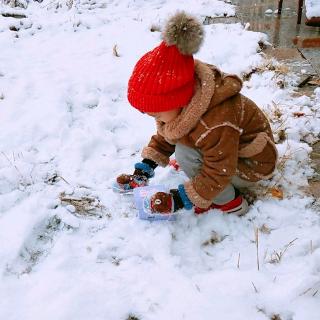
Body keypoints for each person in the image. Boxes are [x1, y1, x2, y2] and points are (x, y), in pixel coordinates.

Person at [115, 11, 278, 216]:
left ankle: (229, 203)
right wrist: (145, 168)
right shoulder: (189, 104)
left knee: (185, 153)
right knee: (186, 149)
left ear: (177, 100)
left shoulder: (215, 122)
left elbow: (219, 170)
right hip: (226, 151)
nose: (156, 120)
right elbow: (170, 133)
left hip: (252, 164)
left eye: (156, 114)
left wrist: (180, 199)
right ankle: (200, 166)